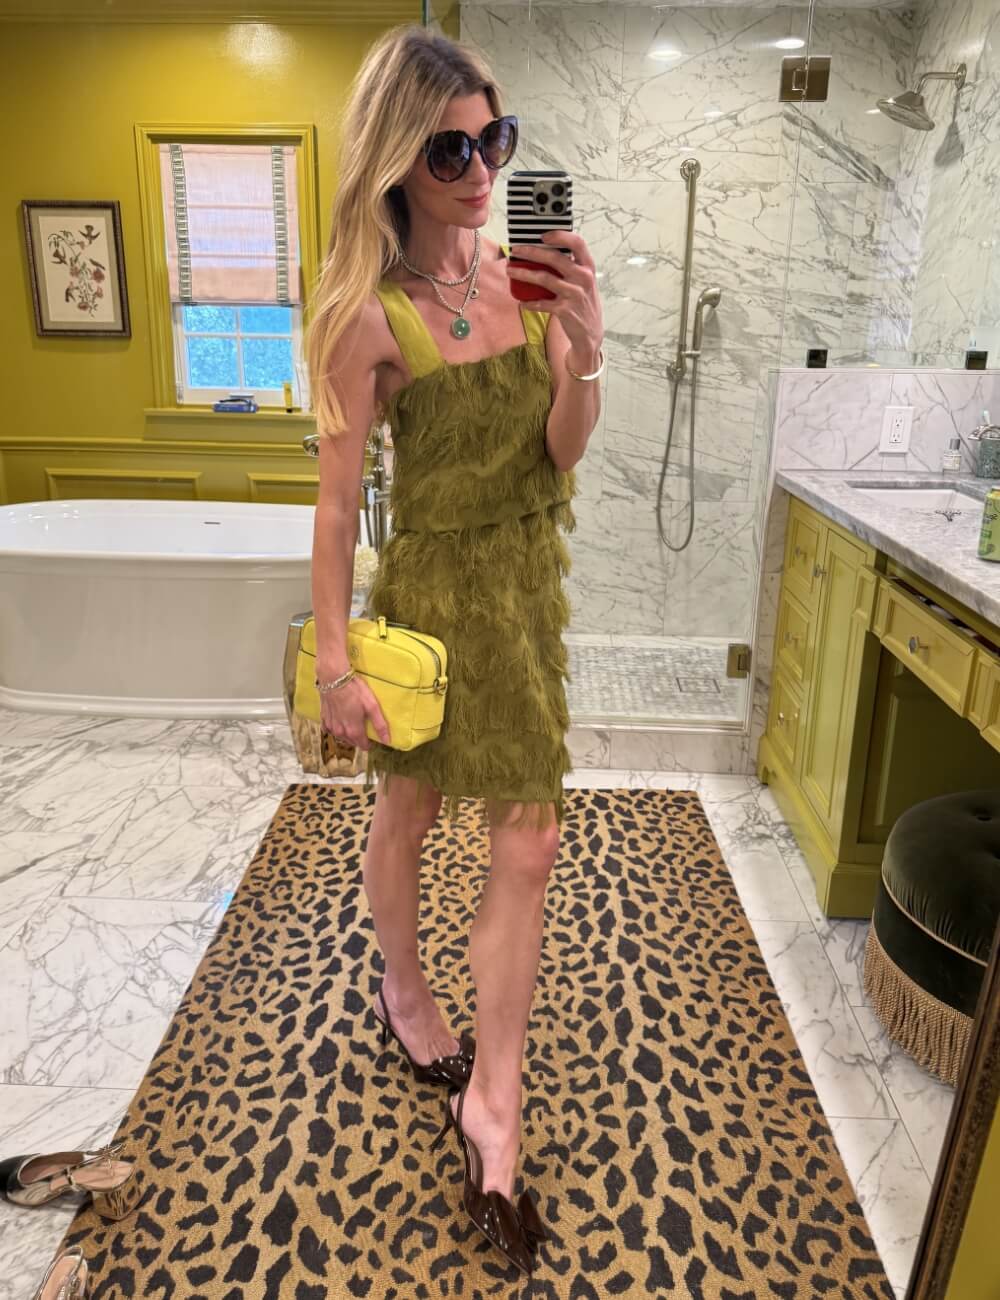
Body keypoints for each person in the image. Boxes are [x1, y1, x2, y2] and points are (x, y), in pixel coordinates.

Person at [305, 23, 604, 1275]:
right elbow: (334, 508)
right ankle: (402, 986)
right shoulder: (365, 316)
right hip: (429, 598)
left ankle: (495, 1096)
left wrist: (583, 350)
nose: (481, 171)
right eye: (449, 150)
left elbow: (563, 449)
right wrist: (334, 664)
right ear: (395, 159)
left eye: (496, 141)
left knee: (529, 839)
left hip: (525, 590)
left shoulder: (525, 275)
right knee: (410, 811)